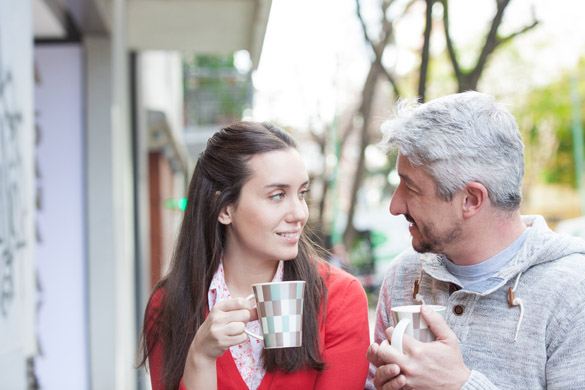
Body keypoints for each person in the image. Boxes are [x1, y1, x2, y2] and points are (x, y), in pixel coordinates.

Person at [366, 91, 585, 390]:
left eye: (411, 188)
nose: (395, 206)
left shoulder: (574, 290)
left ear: (471, 199)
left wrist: (459, 384)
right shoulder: (404, 274)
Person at [137, 121, 370, 390]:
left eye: (301, 193)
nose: (299, 214)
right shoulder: (169, 305)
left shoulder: (339, 297)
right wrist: (200, 357)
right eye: (277, 195)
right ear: (224, 208)